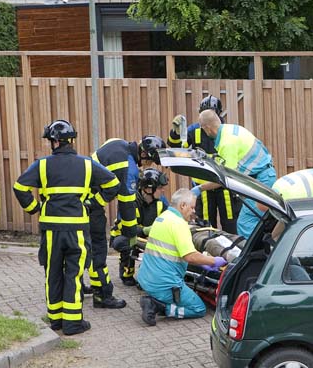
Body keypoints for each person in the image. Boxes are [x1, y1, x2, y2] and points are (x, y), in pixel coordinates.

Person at [13, 120, 119, 335]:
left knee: (53, 272)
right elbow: (113, 184)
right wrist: (91, 204)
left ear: (54, 142)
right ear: (71, 141)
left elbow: (20, 187)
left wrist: (35, 208)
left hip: (51, 229)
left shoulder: (42, 165)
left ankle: (56, 319)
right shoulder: (87, 164)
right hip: (78, 230)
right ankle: (73, 322)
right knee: (75, 273)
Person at [88, 135, 166, 309]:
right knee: (98, 249)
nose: (150, 165)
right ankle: (102, 295)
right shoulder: (128, 168)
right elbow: (127, 205)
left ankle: (83, 287)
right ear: (144, 154)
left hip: (84, 199)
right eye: (151, 161)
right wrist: (132, 235)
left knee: (84, 248)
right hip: (91, 204)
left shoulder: (117, 142)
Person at [136, 188, 227, 326]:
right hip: (164, 284)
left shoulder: (162, 218)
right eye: (192, 207)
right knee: (199, 309)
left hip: (146, 278)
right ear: (182, 205)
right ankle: (159, 306)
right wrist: (214, 260)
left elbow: (178, 252)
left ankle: (158, 299)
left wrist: (201, 261)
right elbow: (190, 256)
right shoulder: (179, 224)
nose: (193, 211)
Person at [194, 110, 276, 238]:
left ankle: (252, 256)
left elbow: (226, 178)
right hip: (261, 177)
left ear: (207, 128)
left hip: (261, 179)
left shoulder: (227, 143)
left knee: (246, 222)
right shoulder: (230, 130)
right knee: (259, 222)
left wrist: (200, 188)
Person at [168, 94, 241, 234]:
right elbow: (175, 148)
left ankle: (234, 252)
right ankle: (208, 253)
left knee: (231, 225)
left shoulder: (226, 131)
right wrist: (175, 133)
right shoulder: (193, 130)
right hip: (203, 189)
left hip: (225, 187)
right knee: (206, 227)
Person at [237, 168, 313, 238]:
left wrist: (274, 240)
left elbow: (287, 223)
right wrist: (272, 237)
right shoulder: (276, 188)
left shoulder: (291, 199)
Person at [109, 168, 169, 286]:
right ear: (148, 189)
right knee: (129, 242)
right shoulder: (130, 202)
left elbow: (170, 216)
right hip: (124, 236)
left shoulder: (161, 201)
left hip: (146, 236)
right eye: (160, 188)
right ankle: (127, 274)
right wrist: (145, 230)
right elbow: (126, 228)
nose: (163, 190)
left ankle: (148, 274)